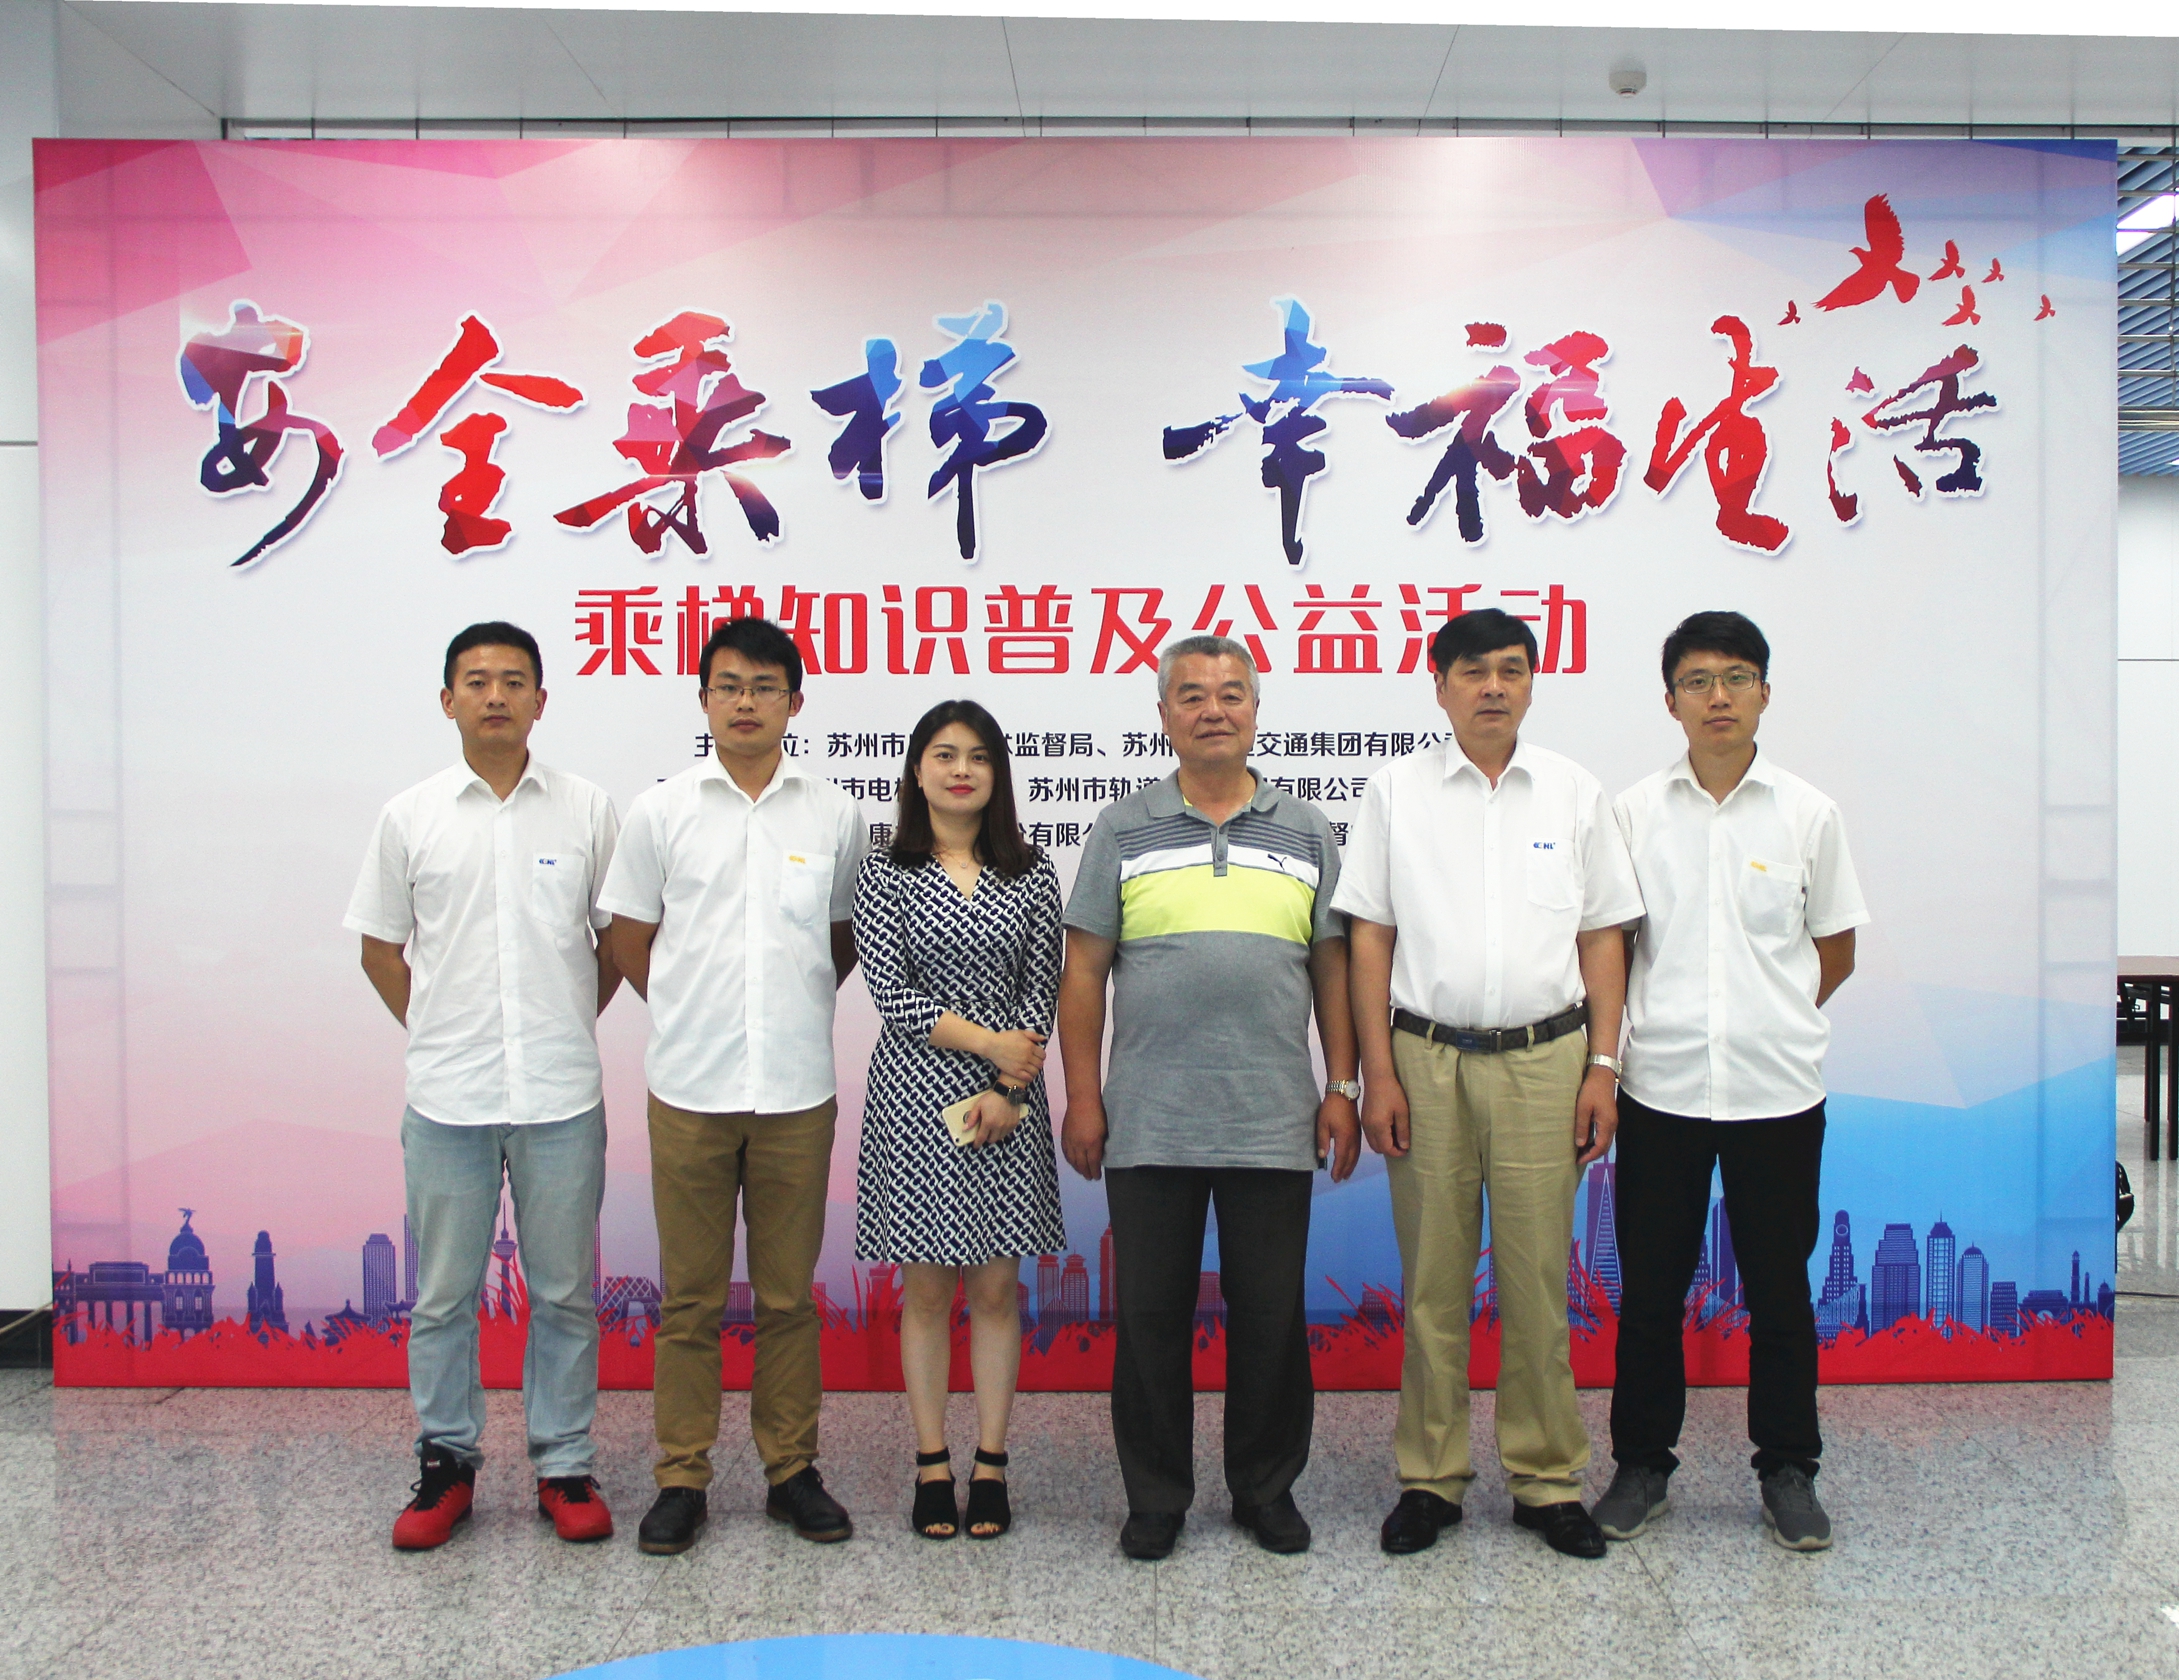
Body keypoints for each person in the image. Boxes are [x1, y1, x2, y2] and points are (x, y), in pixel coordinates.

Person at [1335, 607, 1644, 1561]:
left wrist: (1602, 1066)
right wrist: (1375, 1072)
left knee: (1537, 1284)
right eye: (1472, 672)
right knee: (1432, 1285)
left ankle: (1547, 1480)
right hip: (1422, 1061)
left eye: (1511, 669)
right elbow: (1369, 936)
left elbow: (1602, 935)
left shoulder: (1573, 792)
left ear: (1532, 683)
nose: (1493, 687)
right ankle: (1429, 1479)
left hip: (1546, 1062)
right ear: (1438, 685)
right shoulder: (1395, 791)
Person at [1058, 634, 1360, 1562]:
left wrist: (1340, 1085)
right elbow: (1083, 973)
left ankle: (1265, 1489)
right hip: (1149, 1118)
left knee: (1270, 1320)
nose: (1212, 709)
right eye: (1190, 695)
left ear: (1256, 711)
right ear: (1163, 716)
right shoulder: (1122, 828)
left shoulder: (1306, 830)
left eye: (1231, 693)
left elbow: (1332, 971)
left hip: (1271, 1117)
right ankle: (1155, 1497)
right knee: (1149, 1322)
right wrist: (1083, 1097)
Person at [1593, 611, 1867, 1553]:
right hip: (1661, 1089)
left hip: (1776, 1092)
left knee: (1781, 1293)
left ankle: (1787, 1469)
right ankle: (1641, 1466)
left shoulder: (1807, 814)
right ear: (1669, 700)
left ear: (1764, 692)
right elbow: (1612, 947)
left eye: (1736, 677)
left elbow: (1834, 949)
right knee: (1650, 1293)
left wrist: (1768, 1014)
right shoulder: (1631, 813)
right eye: (1698, 680)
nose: (1718, 696)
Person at [345, 621, 622, 1551]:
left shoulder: (586, 810)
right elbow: (379, 949)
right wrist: (435, 1029)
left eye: (512, 680)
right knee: (442, 1296)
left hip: (559, 1094)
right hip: (447, 1099)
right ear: (447, 700)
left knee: (565, 1292)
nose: (495, 695)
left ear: (541, 700)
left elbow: (614, 944)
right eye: (476, 680)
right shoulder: (410, 816)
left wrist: (564, 1019)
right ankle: (446, 1463)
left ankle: (564, 1463)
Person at [599, 617, 866, 1557]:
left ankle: (791, 1471)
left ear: (796, 701)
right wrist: (690, 1008)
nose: (745, 702)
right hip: (689, 1090)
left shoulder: (834, 815)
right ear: (704, 699)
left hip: (795, 1090)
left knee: (789, 1299)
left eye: (764, 686)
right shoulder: (661, 811)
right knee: (690, 1301)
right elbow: (628, 938)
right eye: (728, 685)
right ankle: (682, 1477)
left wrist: (782, 1006)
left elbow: (840, 942)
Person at [854, 700, 1067, 1542]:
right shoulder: (885, 869)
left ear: (997, 774)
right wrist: (989, 1046)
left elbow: (1042, 985)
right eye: (943, 755)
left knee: (995, 1289)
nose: (960, 770)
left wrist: (1011, 1089)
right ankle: (931, 1464)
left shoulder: (1031, 871)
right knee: (927, 1290)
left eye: (978, 757)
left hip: (1007, 1101)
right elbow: (892, 994)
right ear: (916, 770)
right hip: (915, 1095)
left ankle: (991, 1463)